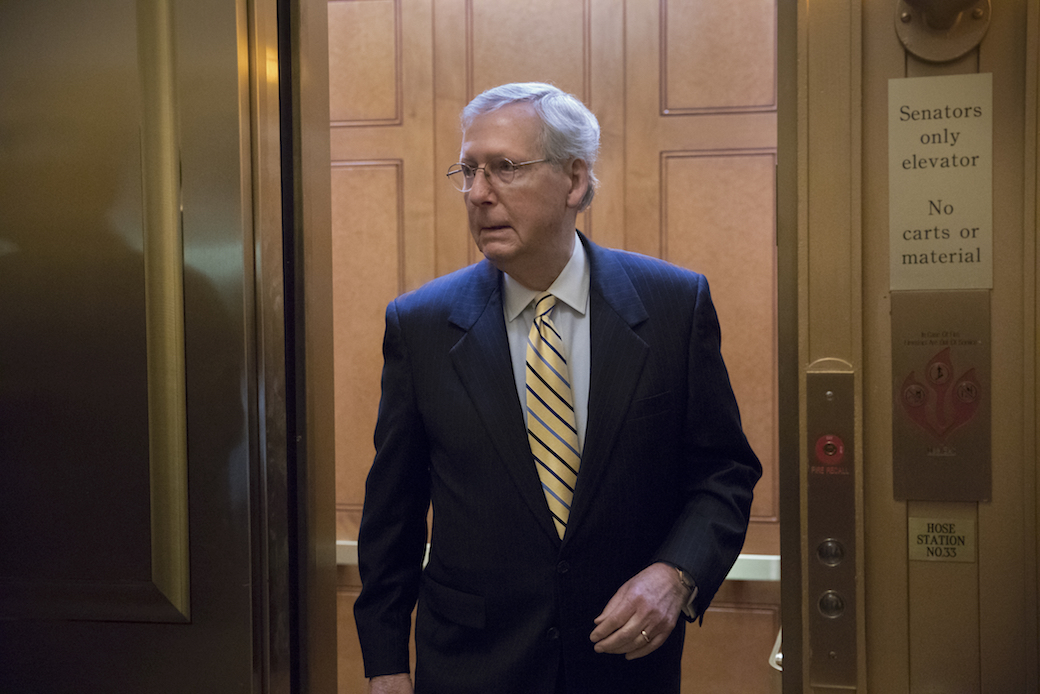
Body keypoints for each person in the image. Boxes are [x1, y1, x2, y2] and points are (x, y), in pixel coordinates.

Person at [354, 82, 762, 694]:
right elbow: (395, 509)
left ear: (574, 181)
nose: (478, 193)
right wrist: (385, 663)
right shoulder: (421, 325)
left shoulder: (674, 305)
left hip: (622, 667)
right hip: (473, 666)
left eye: (504, 169)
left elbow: (723, 473)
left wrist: (676, 575)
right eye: (468, 171)